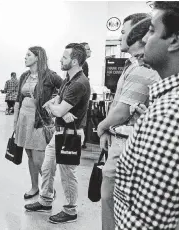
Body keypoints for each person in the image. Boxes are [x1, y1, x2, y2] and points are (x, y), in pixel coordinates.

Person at [114, 2, 179, 229]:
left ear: (174, 41)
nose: (142, 40)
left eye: (151, 30)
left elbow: (146, 221)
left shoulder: (168, 113)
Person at [96, 13, 161, 230]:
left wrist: (102, 126)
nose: (122, 36)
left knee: (112, 199)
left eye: (125, 32)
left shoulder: (142, 68)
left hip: (126, 141)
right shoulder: (133, 65)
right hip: (121, 137)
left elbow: (122, 111)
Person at [25, 43, 90, 225]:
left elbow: (59, 109)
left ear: (75, 61)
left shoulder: (79, 83)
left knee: (67, 173)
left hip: (71, 134)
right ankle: (45, 200)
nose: (61, 60)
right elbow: (59, 101)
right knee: (47, 167)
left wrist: (54, 107)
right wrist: (57, 104)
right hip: (60, 131)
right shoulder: (69, 79)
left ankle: (70, 210)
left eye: (64, 57)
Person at [13, 46, 62, 200]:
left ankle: (49, 188)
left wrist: (55, 102)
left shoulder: (50, 76)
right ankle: (35, 187)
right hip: (24, 119)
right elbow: (18, 100)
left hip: (39, 121)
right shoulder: (24, 76)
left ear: (37, 57)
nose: (25, 57)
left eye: (28, 55)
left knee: (39, 159)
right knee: (29, 155)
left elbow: (65, 90)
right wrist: (15, 121)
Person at [80, 42, 91, 149]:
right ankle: (80, 142)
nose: (89, 51)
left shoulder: (81, 63)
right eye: (87, 49)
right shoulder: (84, 64)